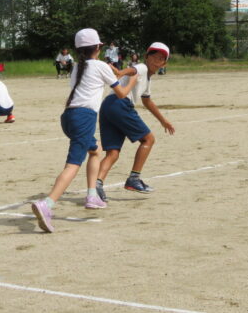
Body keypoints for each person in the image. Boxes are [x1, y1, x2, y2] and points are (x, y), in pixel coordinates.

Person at [31, 28, 137, 233]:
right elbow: (122, 93)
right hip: (84, 117)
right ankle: (48, 204)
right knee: (73, 165)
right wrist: (134, 77)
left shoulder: (78, 66)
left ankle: (92, 196)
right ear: (98, 47)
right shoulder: (99, 65)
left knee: (95, 151)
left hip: (68, 116)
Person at [95, 42, 175, 201]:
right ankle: (134, 179)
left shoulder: (148, 80)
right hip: (120, 104)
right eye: (152, 56)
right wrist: (120, 72)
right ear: (146, 57)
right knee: (149, 139)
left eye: (160, 58)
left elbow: (147, 102)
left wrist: (163, 121)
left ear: (164, 63)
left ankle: (96, 186)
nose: (155, 60)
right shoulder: (143, 68)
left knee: (113, 153)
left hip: (107, 106)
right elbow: (132, 71)